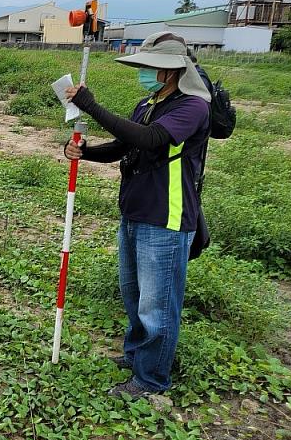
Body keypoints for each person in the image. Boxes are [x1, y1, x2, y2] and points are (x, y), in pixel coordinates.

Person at [63, 31, 210, 398]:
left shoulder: (192, 107)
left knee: (157, 305)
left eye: (152, 66)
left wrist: (93, 107)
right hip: (135, 211)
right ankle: (136, 357)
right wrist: (87, 152)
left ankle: (150, 381)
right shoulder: (148, 103)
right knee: (134, 295)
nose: (145, 72)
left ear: (173, 70)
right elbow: (123, 146)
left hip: (166, 218)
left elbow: (150, 140)